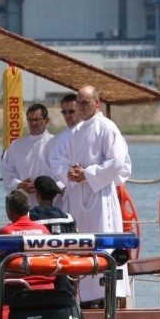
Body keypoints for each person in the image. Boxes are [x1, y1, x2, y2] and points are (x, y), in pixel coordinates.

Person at [55, 85, 132, 304]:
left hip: (99, 196)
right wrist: (68, 173)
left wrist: (88, 174)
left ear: (97, 103)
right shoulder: (76, 131)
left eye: (85, 102)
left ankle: (105, 294)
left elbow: (117, 162)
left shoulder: (107, 127)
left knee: (102, 239)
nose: (80, 106)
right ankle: (82, 294)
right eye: (78, 102)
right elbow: (62, 160)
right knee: (79, 242)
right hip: (78, 196)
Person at [1, 103, 54, 207]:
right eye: (30, 120)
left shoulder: (55, 142)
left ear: (46, 120)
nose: (33, 123)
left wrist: (45, 187)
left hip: (49, 201)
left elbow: (61, 172)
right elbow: (7, 170)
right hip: (24, 202)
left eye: (37, 119)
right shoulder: (16, 145)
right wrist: (19, 185)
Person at [45, 93, 80, 207]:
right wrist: (65, 180)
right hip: (67, 195)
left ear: (80, 109)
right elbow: (51, 169)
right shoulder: (55, 141)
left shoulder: (93, 133)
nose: (67, 115)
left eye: (71, 111)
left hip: (93, 191)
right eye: (64, 112)